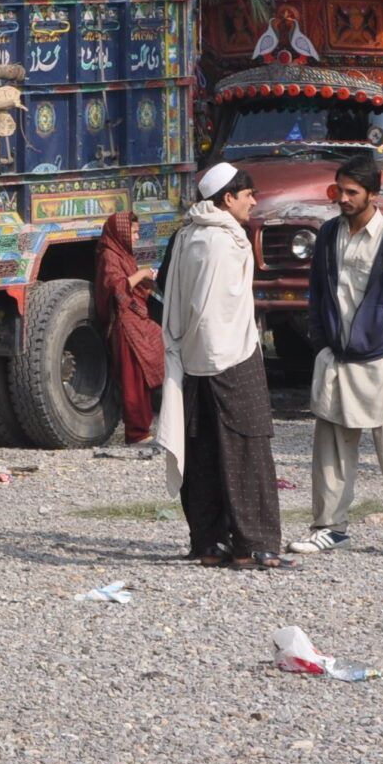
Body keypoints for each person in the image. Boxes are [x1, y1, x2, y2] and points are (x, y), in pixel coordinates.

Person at [289, 153, 383, 557]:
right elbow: (318, 293)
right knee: (332, 448)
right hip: (338, 357)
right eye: (339, 190)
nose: (343, 198)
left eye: (352, 192)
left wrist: (382, 327)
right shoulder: (327, 235)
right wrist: (323, 341)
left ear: (373, 194)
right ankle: (329, 526)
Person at [157, 164, 291, 568]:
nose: (253, 201)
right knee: (248, 445)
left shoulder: (186, 235)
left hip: (192, 354)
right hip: (232, 352)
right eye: (248, 194)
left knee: (202, 447)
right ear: (227, 198)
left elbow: (165, 291)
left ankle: (210, 542)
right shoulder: (225, 239)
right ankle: (255, 546)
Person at [94, 213, 164, 448]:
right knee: (133, 378)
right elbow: (116, 289)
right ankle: (137, 434)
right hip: (124, 323)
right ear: (121, 233)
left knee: (148, 368)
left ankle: (145, 429)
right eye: (133, 233)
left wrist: (146, 281)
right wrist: (141, 274)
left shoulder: (124, 254)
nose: (135, 237)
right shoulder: (109, 256)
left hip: (137, 319)